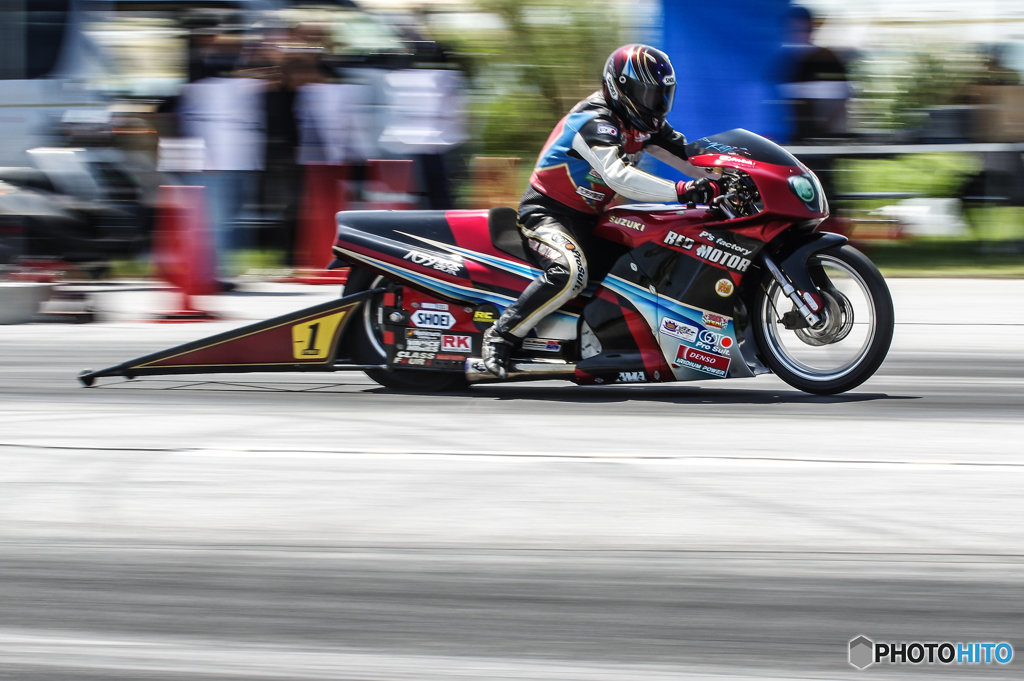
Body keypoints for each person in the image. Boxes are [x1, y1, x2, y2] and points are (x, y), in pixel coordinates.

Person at [481, 44, 721, 378]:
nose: (655, 104)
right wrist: (681, 191)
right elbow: (617, 175)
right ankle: (501, 336)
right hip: (548, 213)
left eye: (661, 96)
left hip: (594, 218)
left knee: (657, 252)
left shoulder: (644, 124)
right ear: (620, 87)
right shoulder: (595, 121)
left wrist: (732, 177)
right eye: (647, 93)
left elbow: (692, 158)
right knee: (570, 270)